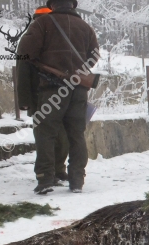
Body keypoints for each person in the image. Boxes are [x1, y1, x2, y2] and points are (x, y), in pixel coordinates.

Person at [17, 0, 99, 194]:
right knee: (76, 134)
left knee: (45, 133)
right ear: (73, 5)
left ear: (52, 5)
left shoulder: (42, 24)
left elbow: (23, 54)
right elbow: (94, 55)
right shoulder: (85, 27)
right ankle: (77, 180)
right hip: (78, 89)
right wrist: (78, 71)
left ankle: (45, 178)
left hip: (52, 89)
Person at [16, 5, 69, 186]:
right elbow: (22, 70)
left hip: (52, 94)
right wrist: (25, 101)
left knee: (56, 136)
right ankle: (49, 173)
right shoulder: (32, 38)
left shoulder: (52, 38)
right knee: (50, 136)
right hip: (41, 95)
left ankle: (56, 171)